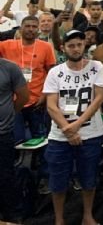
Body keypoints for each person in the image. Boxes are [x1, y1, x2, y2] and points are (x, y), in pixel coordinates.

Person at [43, 29, 103, 225]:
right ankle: (59, 219)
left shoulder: (96, 67)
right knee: (58, 181)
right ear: (63, 48)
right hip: (60, 136)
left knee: (89, 179)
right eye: (71, 45)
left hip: (90, 133)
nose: (76, 48)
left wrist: (77, 125)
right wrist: (68, 130)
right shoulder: (55, 72)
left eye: (79, 44)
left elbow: (98, 98)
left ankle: (87, 216)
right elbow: (51, 105)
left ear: (84, 45)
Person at [0, 16, 56, 143]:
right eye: (27, 26)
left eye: (34, 26)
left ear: (38, 29)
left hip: (37, 101)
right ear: (21, 28)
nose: (31, 29)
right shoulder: (7, 45)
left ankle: (39, 163)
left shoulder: (46, 47)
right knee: (16, 138)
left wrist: (44, 95)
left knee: (41, 138)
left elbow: (52, 74)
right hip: (14, 103)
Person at [0, 55, 29, 222]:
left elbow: (23, 97)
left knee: (5, 176)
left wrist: (10, 115)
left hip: (3, 134)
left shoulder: (10, 68)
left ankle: (10, 216)